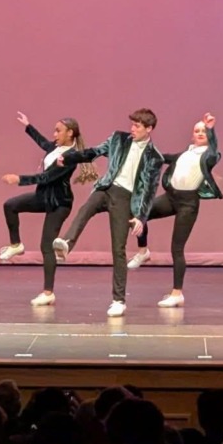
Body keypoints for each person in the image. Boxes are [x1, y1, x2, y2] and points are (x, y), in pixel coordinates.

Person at [51, 109, 164, 317]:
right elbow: (93, 152)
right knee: (87, 207)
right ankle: (67, 243)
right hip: (107, 188)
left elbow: (149, 190)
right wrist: (68, 158)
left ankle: (119, 300)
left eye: (137, 126)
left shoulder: (154, 157)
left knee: (118, 248)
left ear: (149, 129)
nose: (132, 129)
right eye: (132, 124)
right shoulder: (118, 139)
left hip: (125, 198)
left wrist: (141, 217)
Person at [0, 111, 97, 305]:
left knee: (46, 246)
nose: (54, 134)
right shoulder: (56, 147)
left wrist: (19, 179)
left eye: (58, 131)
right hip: (43, 197)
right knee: (10, 205)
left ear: (70, 133)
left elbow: (46, 177)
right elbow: (43, 143)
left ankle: (48, 292)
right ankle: (16, 245)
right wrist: (28, 126)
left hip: (59, 203)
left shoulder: (71, 156)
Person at [127, 113, 223, 308]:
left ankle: (177, 294)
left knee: (176, 249)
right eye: (197, 131)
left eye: (203, 131)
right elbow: (163, 157)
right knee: (138, 213)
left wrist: (211, 129)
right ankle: (143, 251)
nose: (200, 133)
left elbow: (214, 151)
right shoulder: (186, 153)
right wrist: (144, 148)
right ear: (192, 135)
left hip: (188, 204)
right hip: (171, 197)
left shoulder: (209, 155)